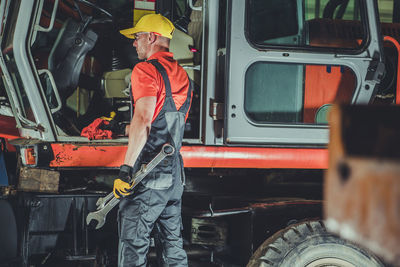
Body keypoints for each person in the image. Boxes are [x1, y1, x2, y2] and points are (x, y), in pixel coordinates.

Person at [114, 14, 192, 266]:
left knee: (134, 243)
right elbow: (165, 119)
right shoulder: (182, 75)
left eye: (137, 37)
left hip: (150, 173)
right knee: (173, 247)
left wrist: (126, 169)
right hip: (174, 177)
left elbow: (145, 119)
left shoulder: (145, 70)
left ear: (151, 37)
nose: (134, 43)